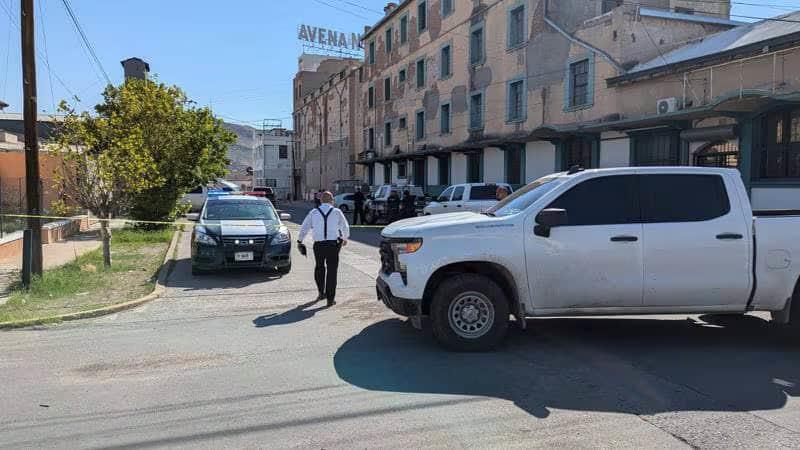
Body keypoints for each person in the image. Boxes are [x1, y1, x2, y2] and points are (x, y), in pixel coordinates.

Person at [298, 191, 350, 307]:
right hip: (333, 245)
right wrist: (345, 238)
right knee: (332, 271)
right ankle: (330, 299)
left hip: (319, 245)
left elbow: (304, 227)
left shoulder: (314, 212)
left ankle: (321, 293)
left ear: (321, 201)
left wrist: (300, 240)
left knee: (319, 268)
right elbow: (344, 226)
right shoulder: (337, 212)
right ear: (332, 201)